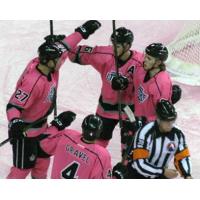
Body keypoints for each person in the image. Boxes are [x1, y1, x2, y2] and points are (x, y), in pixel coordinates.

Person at [6, 20, 101, 179]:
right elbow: (13, 106)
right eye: (58, 59)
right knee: (21, 170)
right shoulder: (32, 82)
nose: (62, 60)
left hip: (42, 127)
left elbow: (66, 45)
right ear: (49, 61)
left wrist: (83, 32)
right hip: (26, 133)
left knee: (42, 164)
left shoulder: (49, 62)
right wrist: (15, 122)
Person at [68, 27, 144, 150]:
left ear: (128, 46)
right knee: (96, 147)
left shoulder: (140, 62)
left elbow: (149, 83)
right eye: (112, 44)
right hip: (106, 109)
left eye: (118, 46)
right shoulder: (104, 54)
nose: (114, 48)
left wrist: (129, 84)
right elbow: (73, 54)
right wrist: (66, 41)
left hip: (129, 111)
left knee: (130, 149)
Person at [113, 99, 192, 179]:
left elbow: (182, 156)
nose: (170, 124)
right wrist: (162, 171)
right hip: (138, 174)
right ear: (158, 119)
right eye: (167, 121)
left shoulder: (178, 134)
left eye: (172, 120)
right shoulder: (145, 132)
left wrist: (187, 174)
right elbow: (139, 163)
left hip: (160, 174)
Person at [38, 112, 112, 179]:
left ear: (82, 127)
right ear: (99, 132)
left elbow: (44, 143)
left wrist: (57, 124)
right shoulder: (102, 155)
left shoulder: (67, 135)